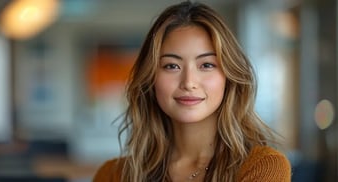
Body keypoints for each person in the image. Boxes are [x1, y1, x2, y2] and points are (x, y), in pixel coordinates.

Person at [93, 1, 291, 182]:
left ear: (229, 77)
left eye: (206, 65)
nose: (188, 82)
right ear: (150, 78)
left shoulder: (263, 167)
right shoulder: (112, 175)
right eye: (171, 66)